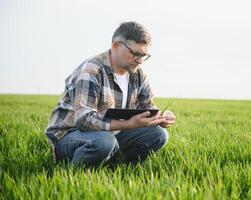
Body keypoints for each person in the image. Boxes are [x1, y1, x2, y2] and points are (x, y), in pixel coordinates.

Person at [45, 21, 176, 167]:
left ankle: (114, 167)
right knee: (105, 141)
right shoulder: (92, 70)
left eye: (144, 55)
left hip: (111, 134)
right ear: (116, 46)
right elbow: (84, 120)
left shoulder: (138, 74)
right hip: (70, 136)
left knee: (158, 134)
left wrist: (160, 117)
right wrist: (127, 124)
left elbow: (147, 107)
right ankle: (73, 173)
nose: (140, 61)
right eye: (136, 54)